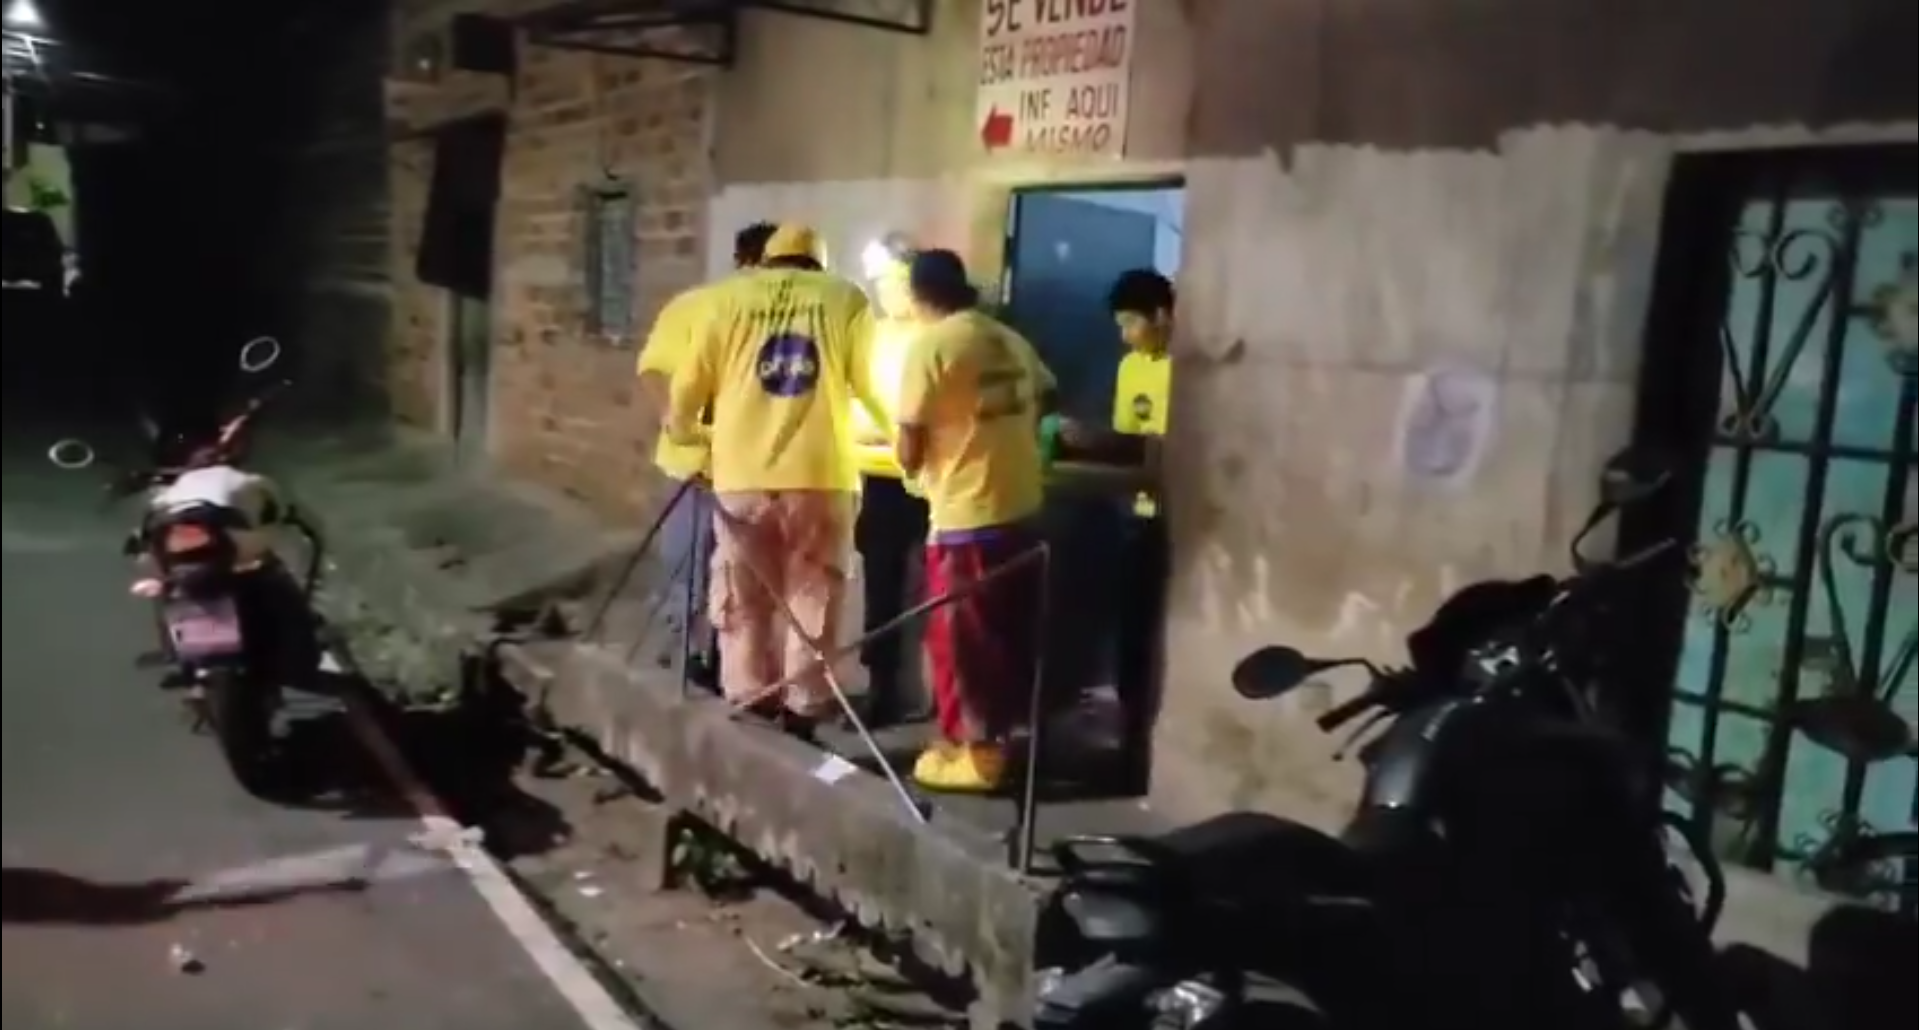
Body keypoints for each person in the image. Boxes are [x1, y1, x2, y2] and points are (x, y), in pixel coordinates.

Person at [663, 224, 889, 737]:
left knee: (744, 596)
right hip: (822, 478)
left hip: (741, 480)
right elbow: (871, 388)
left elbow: (682, 405)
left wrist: (701, 441)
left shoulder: (725, 302)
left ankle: (750, 705)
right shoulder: (845, 298)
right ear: (818, 263)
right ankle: (803, 713)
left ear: (766, 260)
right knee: (813, 596)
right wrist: (902, 443)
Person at [894, 249, 1051, 793]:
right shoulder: (1008, 338)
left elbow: (909, 445)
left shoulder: (932, 345)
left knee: (963, 641)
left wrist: (916, 463)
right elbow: (1047, 392)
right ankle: (990, 743)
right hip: (1022, 509)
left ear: (917, 296)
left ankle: (980, 757)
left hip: (968, 515)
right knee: (1007, 636)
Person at [635, 221, 777, 689]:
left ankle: (726, 664)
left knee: (741, 575)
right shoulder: (696, 307)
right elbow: (655, 370)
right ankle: (687, 658)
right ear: (746, 262)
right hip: (697, 466)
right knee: (689, 566)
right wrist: (679, 425)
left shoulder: (790, 313)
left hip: (756, 469)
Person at [850, 232, 933, 726]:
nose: (885, 292)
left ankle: (925, 692)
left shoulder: (935, 335)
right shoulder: (873, 335)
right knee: (881, 587)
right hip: (877, 479)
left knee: (930, 588)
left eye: (893, 281)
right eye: (879, 282)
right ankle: (882, 687)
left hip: (928, 477)